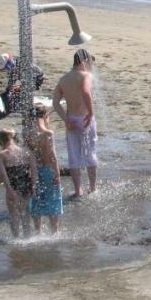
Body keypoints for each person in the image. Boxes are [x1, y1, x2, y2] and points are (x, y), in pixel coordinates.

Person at [52, 48, 98, 199]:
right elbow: (85, 91)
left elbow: (55, 103)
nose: (91, 66)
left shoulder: (64, 79)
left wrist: (65, 119)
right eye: (90, 62)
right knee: (90, 152)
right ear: (84, 61)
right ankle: (92, 189)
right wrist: (90, 113)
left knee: (74, 155)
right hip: (85, 119)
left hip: (71, 119)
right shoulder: (86, 75)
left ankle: (78, 191)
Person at [26, 108, 63, 234]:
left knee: (37, 201)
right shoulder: (48, 134)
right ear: (46, 116)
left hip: (35, 171)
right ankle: (54, 232)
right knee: (53, 202)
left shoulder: (28, 135)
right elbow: (53, 156)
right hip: (49, 171)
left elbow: (29, 156)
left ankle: (37, 232)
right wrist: (57, 174)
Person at [0, 127, 35, 238]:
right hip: (26, 185)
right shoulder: (26, 151)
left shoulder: (2, 154)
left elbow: (3, 175)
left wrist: (9, 190)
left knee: (14, 215)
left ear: (1, 140)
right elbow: (34, 171)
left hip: (12, 186)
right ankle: (28, 238)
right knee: (26, 214)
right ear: (14, 138)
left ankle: (16, 239)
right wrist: (33, 186)